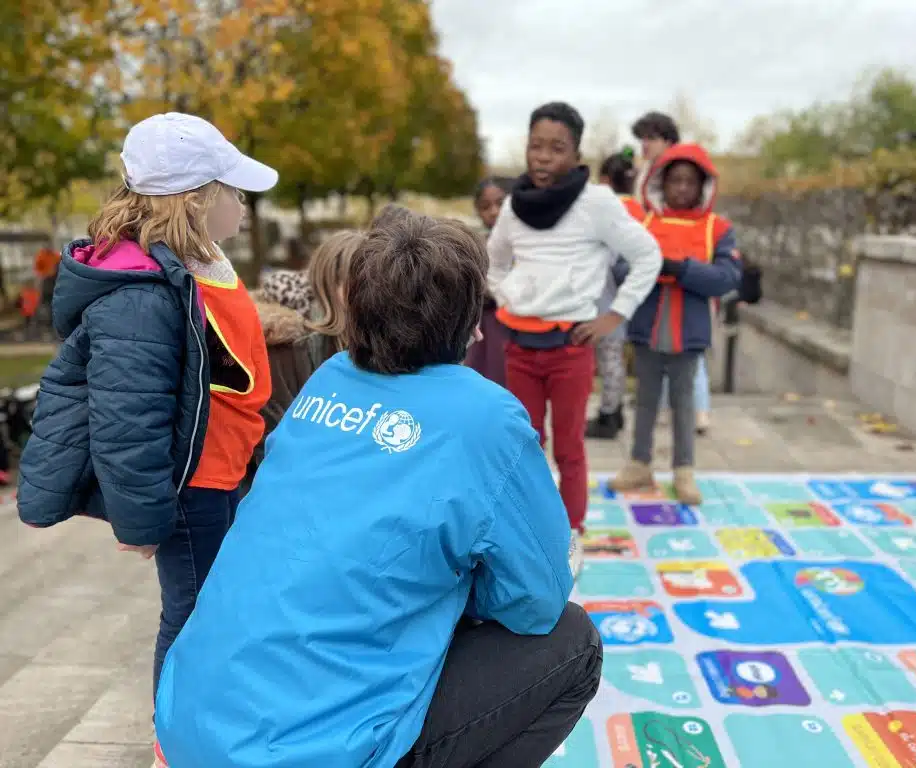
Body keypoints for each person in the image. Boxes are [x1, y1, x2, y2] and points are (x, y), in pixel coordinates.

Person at [154, 212, 602, 768]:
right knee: (574, 642)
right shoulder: (485, 416)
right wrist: (459, 594)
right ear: (468, 321)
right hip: (308, 752)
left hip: (189, 720)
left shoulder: (330, 379)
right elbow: (536, 601)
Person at [16, 112, 279, 709]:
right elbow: (126, 421)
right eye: (232, 191)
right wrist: (142, 523)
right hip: (193, 488)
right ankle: (178, 739)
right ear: (195, 201)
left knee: (215, 610)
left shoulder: (195, 269)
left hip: (221, 473)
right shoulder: (141, 297)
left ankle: (207, 724)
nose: (242, 202)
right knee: (192, 619)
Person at [489, 102, 661, 535]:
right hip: (519, 347)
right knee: (525, 448)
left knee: (569, 449)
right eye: (535, 146)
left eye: (557, 148)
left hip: (570, 348)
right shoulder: (514, 206)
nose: (544, 157)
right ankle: (529, 530)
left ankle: (572, 531)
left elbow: (647, 255)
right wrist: (507, 294)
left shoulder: (597, 203)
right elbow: (494, 264)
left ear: (576, 154)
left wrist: (614, 316)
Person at [610, 143, 741, 504]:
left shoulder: (718, 229)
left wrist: (682, 269)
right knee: (646, 400)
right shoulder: (643, 224)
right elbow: (620, 268)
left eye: (690, 181)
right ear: (660, 184)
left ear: (703, 186)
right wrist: (651, 267)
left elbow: (727, 277)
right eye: (675, 181)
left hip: (689, 334)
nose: (682, 188)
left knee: (684, 404)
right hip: (647, 330)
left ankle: (684, 470)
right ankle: (639, 463)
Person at [243, 230, 365, 492]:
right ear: (328, 284)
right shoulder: (287, 347)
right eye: (357, 281)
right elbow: (275, 441)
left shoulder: (377, 344)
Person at [585, 149, 641, 440]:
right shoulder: (641, 211)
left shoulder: (602, 209)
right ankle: (614, 410)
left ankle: (609, 415)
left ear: (605, 180)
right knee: (614, 358)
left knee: (606, 358)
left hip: (601, 298)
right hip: (626, 297)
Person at [465, 176, 513, 385]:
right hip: (483, 322)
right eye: (486, 206)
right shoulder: (475, 244)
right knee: (482, 376)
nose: (494, 211)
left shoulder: (523, 243)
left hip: (512, 322)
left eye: (500, 203)